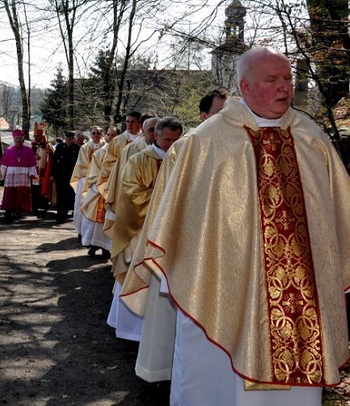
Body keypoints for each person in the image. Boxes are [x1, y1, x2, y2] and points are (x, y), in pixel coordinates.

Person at [124, 47, 350, 405]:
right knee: (214, 386)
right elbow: (177, 222)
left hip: (300, 298)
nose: (284, 88)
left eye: (288, 79)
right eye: (272, 80)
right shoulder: (205, 143)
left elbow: (338, 215)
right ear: (244, 86)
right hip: (223, 291)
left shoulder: (311, 137)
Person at [121, 88, 227, 384]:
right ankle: (170, 373)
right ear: (204, 116)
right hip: (186, 245)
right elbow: (166, 206)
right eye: (220, 112)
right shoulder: (186, 149)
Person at [106, 117, 183, 342]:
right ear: (155, 136)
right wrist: (166, 198)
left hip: (171, 230)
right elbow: (130, 195)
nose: (172, 145)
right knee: (137, 273)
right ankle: (132, 330)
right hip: (140, 231)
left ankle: (161, 335)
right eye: (167, 139)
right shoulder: (139, 160)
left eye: (176, 140)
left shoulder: (183, 160)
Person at [80, 126, 118, 257]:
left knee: (110, 219)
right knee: (96, 222)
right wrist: (101, 185)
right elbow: (94, 172)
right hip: (100, 190)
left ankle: (107, 247)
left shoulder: (123, 153)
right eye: (109, 135)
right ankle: (94, 245)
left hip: (115, 191)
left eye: (113, 135)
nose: (110, 138)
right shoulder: (100, 153)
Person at [71, 126, 105, 236]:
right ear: (90, 135)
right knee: (83, 204)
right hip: (86, 179)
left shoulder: (107, 147)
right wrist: (93, 175)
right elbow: (82, 164)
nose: (96, 135)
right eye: (94, 133)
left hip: (102, 180)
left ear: (102, 134)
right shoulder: (85, 148)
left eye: (98, 133)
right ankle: (82, 231)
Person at [0, 128, 37, 220]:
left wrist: (32, 173)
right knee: (9, 193)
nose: (18, 140)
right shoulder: (9, 150)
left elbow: (32, 163)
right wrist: (1, 175)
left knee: (21, 193)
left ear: (23, 139)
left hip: (23, 174)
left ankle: (19, 211)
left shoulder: (28, 150)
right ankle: (8, 210)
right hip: (11, 175)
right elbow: (4, 164)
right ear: (14, 139)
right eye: (17, 138)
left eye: (20, 138)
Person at [50, 131, 81, 223]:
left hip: (71, 175)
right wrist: (52, 174)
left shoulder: (77, 148)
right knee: (60, 194)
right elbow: (54, 161)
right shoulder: (60, 147)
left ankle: (67, 212)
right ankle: (60, 214)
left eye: (70, 139)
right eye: (67, 139)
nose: (68, 141)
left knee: (70, 194)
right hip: (60, 175)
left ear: (74, 139)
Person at [31, 123, 55, 213]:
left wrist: (50, 153)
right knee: (34, 190)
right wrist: (33, 157)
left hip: (44, 171)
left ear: (41, 136)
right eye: (35, 136)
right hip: (34, 171)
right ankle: (34, 207)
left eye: (38, 136)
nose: (36, 137)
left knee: (43, 188)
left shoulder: (48, 146)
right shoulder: (32, 146)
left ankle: (44, 206)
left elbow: (52, 157)